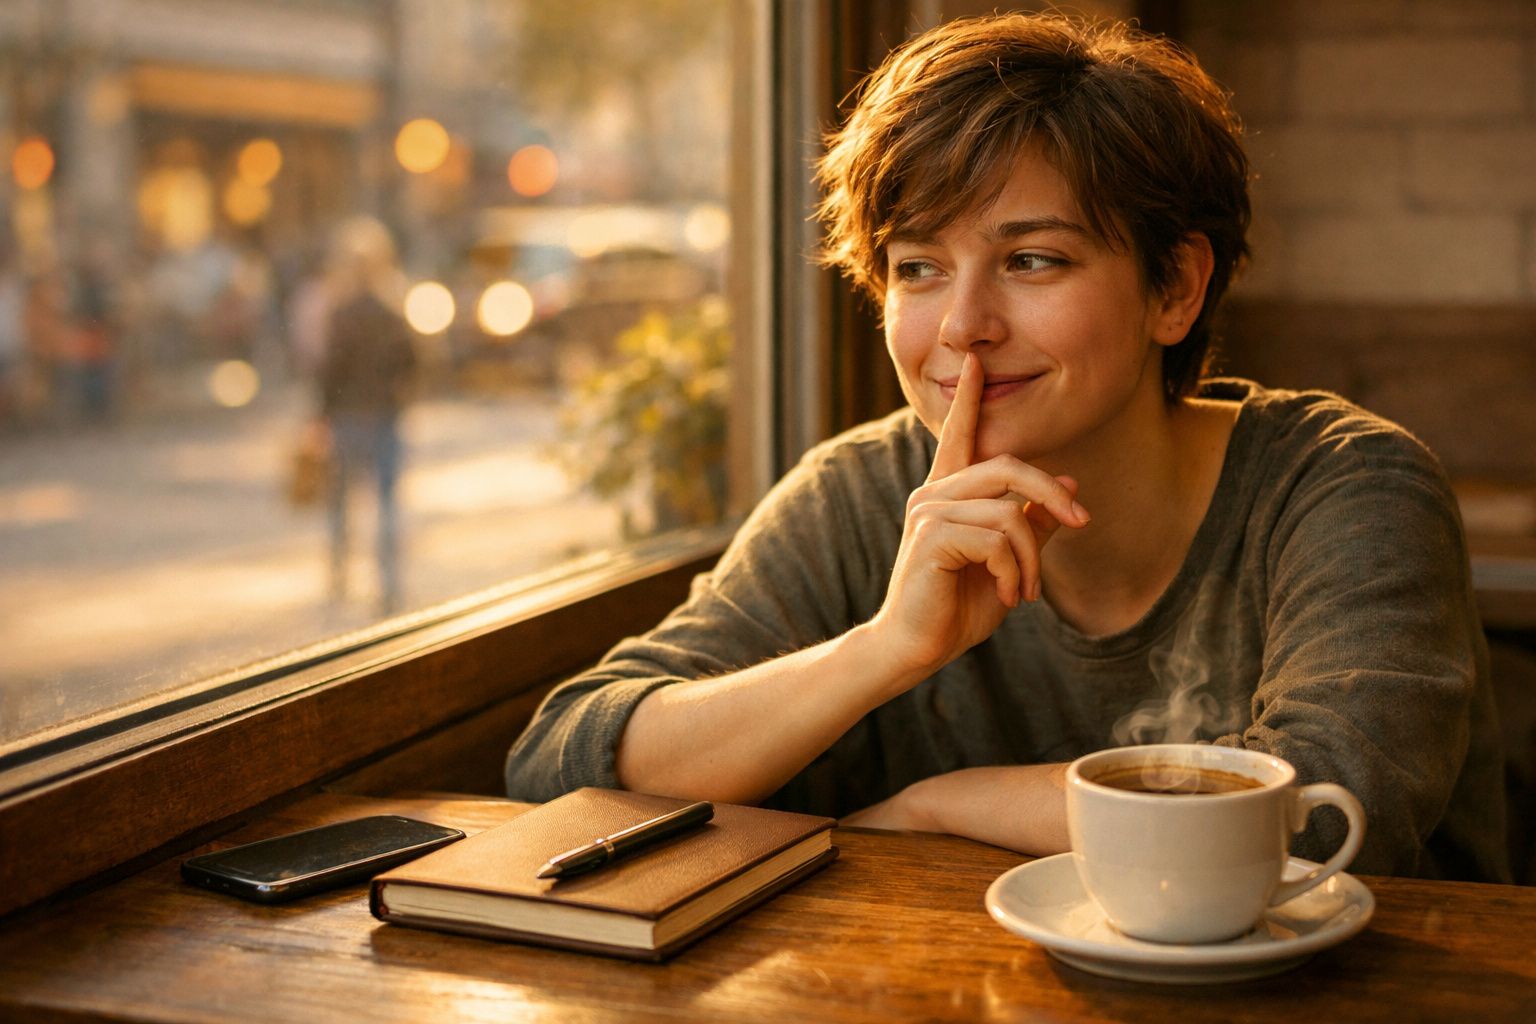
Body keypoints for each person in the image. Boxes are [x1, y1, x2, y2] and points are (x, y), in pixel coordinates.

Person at [504, 13, 1509, 881]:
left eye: (1033, 259)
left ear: (1175, 289)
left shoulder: (1345, 484)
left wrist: (946, 804)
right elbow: (564, 756)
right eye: (919, 267)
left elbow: (1324, 815)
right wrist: (881, 650)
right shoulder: (863, 491)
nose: (963, 326)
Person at [316, 217, 417, 614]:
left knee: (341, 501)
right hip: (385, 415)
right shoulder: (393, 310)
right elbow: (411, 363)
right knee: (387, 501)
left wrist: (323, 412)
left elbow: (330, 372)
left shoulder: (341, 312)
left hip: (349, 416)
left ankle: (340, 575)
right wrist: (396, 395)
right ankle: (388, 585)